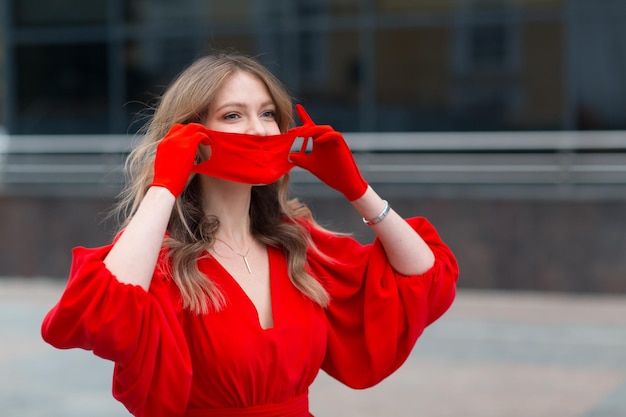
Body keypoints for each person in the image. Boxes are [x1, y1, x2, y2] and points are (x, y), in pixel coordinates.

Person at [41, 52, 459, 417]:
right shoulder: (159, 261)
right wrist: (164, 186)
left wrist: (358, 190)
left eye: (268, 114)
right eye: (233, 115)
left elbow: (427, 276)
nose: (260, 131)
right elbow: (96, 311)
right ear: (190, 137)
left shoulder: (299, 246)